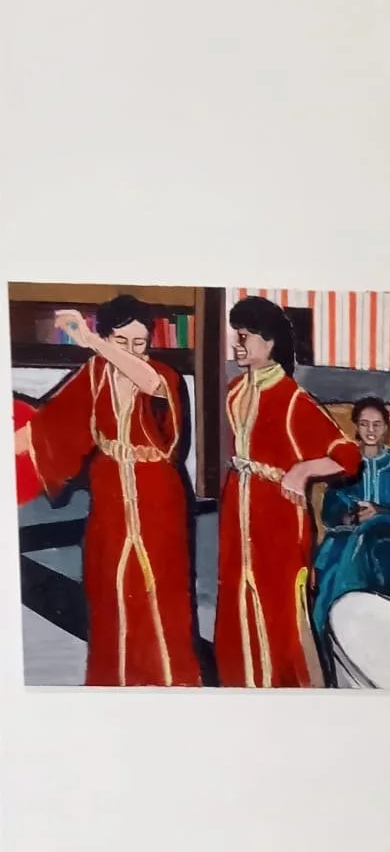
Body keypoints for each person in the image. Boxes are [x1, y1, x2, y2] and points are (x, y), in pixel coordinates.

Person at [13, 297, 201, 687]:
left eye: (141, 343)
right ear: (108, 337)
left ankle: (172, 684)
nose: (134, 352)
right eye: (123, 341)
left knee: (161, 592)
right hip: (110, 495)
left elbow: (148, 383)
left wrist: (95, 342)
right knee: (110, 591)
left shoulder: (162, 374)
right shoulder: (94, 376)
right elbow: (44, 429)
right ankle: (114, 686)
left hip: (159, 495)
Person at [215, 295, 360, 688]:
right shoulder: (233, 392)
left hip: (278, 518)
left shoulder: (294, 399)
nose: (237, 343)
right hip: (237, 511)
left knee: (278, 607)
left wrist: (303, 469)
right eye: (236, 335)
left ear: (270, 341)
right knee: (236, 600)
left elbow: (348, 456)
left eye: (244, 336)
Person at [311, 397, 390, 640]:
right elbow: (329, 511)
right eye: (364, 424)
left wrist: (382, 513)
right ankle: (332, 636)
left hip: (386, 539)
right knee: (336, 559)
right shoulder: (345, 463)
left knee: (388, 564)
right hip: (346, 538)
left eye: (377, 424)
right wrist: (348, 517)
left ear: (386, 427)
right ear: (356, 425)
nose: (371, 430)